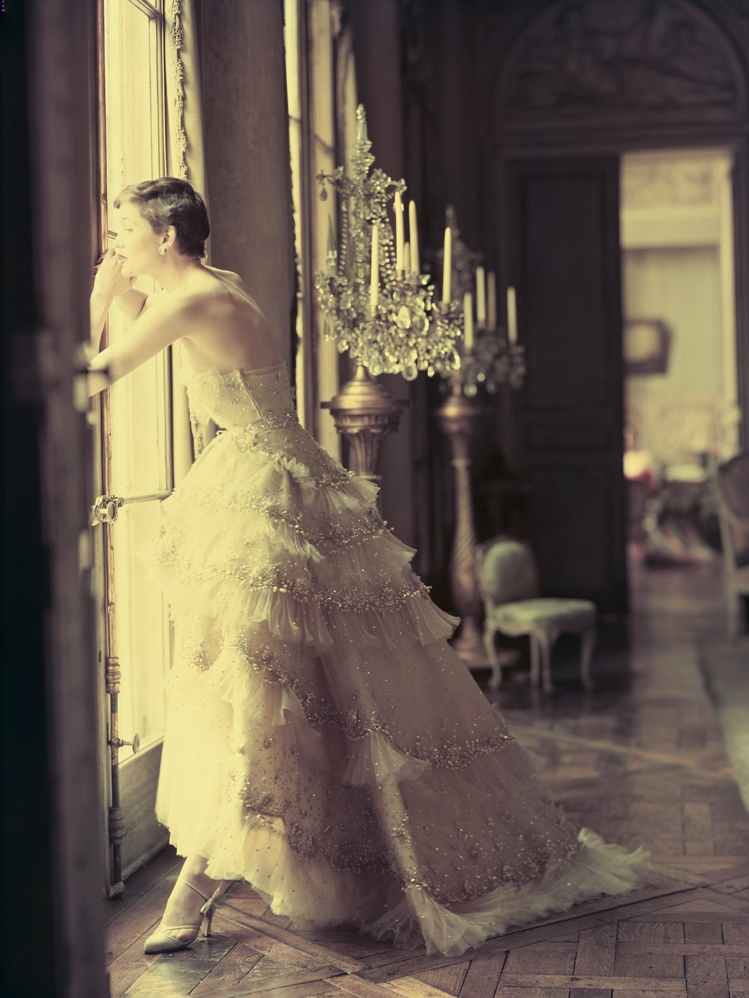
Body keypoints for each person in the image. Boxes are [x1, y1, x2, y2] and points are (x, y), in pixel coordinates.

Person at [89, 177, 647, 958]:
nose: (115, 239)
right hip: (274, 483)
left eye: (123, 229)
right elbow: (140, 338)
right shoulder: (216, 286)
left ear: (168, 238)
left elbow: (98, 373)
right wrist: (119, 289)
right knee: (290, 697)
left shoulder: (192, 301)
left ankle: (194, 891)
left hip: (263, 501)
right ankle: (253, 872)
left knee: (270, 699)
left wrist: (100, 295)